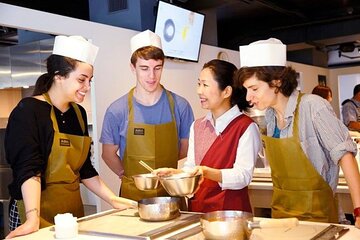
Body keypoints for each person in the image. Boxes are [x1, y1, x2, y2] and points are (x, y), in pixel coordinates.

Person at [5, 35, 137, 239]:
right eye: (81, 80)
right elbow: (28, 170)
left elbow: (85, 169)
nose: (87, 87)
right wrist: (32, 218)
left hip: (69, 212)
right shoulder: (28, 111)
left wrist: (113, 200)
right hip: (34, 209)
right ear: (59, 76)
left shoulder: (78, 113)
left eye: (90, 80)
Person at [235, 38, 360, 228]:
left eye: (254, 89)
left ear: (277, 82)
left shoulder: (312, 106)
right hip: (282, 217)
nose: (248, 97)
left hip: (319, 218)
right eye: (246, 90)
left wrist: (358, 211)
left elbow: (346, 156)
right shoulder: (270, 116)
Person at [154, 59, 261, 213]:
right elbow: (192, 167)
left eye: (205, 85)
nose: (199, 91)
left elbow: (243, 176)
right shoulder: (197, 126)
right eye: (199, 84)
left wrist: (207, 172)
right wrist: (175, 173)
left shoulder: (246, 127)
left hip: (231, 214)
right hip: (198, 210)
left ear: (226, 92)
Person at [100, 30, 194, 201]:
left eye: (157, 68)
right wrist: (126, 174)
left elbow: (185, 148)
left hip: (170, 193)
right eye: (144, 68)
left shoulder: (180, 106)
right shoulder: (117, 110)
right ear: (132, 68)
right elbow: (108, 154)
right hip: (132, 197)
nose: (152, 76)